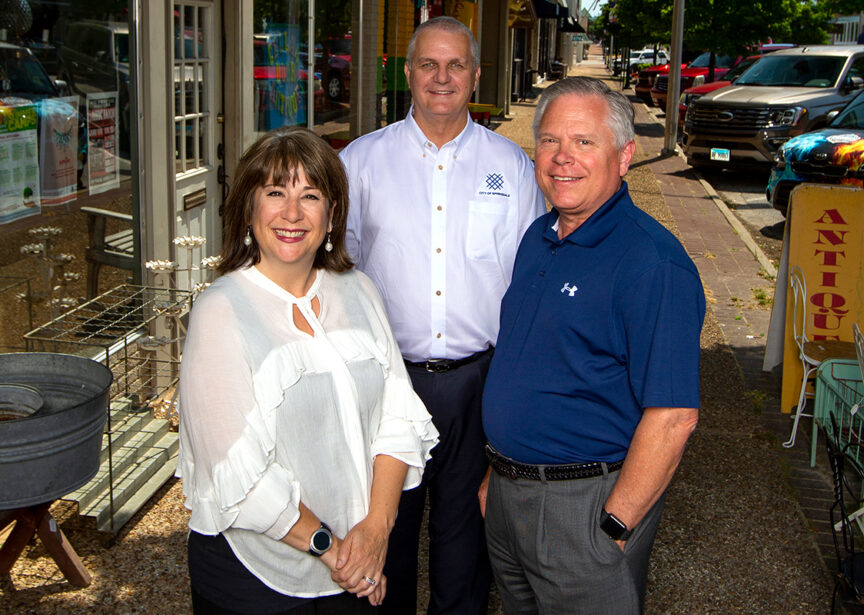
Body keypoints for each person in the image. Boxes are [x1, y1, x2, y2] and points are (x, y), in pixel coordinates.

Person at [177, 126, 438, 615]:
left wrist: (376, 533)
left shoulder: (358, 290)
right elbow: (240, 476)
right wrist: (341, 553)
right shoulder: (221, 311)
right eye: (275, 192)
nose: (292, 213)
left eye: (310, 195)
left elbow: (399, 418)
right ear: (248, 208)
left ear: (332, 214)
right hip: (259, 580)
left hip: (358, 566)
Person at [339, 16, 545, 615]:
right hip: (387, 382)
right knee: (385, 535)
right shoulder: (361, 162)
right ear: (407, 72)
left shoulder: (511, 168)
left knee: (466, 545)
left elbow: (529, 283)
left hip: (478, 384)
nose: (442, 77)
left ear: (477, 74)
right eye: (428, 64)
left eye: (456, 65)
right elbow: (337, 272)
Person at [480, 76, 705, 614]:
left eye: (584, 142)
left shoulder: (653, 263)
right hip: (510, 498)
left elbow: (674, 416)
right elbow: (527, 363)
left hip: (583, 506)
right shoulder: (539, 238)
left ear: (624, 156)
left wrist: (614, 523)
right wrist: (498, 472)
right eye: (551, 141)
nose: (563, 158)